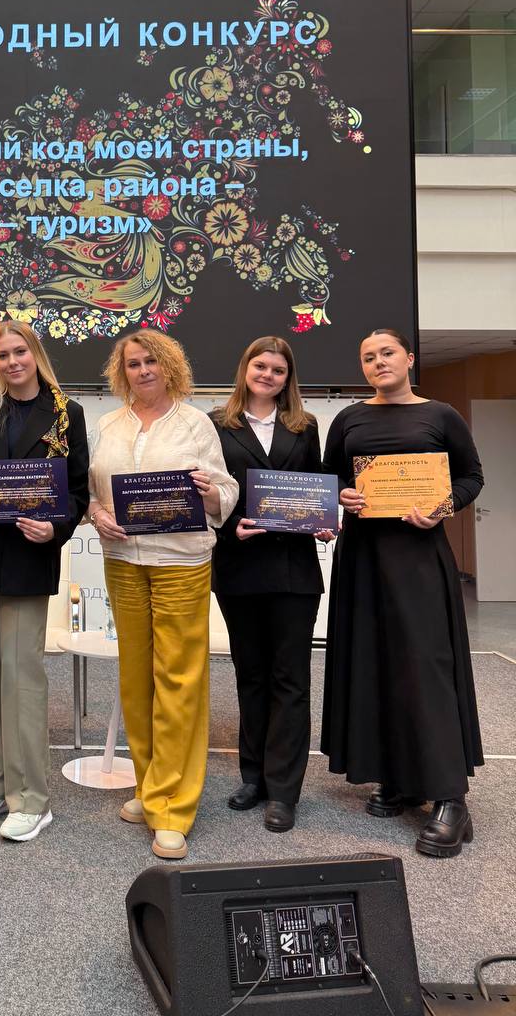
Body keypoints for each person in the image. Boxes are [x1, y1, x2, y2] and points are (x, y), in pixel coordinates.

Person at [322, 328, 484, 858]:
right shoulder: (349, 419)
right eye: (368, 357)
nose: (378, 362)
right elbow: (329, 480)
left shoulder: (441, 416)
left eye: (387, 353)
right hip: (363, 559)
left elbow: (471, 477)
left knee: (426, 666)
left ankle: (450, 797)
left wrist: (441, 507)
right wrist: (342, 495)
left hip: (419, 559)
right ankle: (398, 778)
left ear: (409, 358)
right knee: (376, 663)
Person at [87, 330, 237, 860]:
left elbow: (226, 490)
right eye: (133, 363)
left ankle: (172, 806)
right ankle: (150, 785)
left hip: (181, 562)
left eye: (151, 361)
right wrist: (97, 513)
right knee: (136, 678)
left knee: (178, 679)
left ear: (170, 366)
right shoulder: (108, 424)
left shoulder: (196, 424)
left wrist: (210, 492)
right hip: (123, 561)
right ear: (121, 371)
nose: (143, 370)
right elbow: (93, 493)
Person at [0, 321, 89, 843]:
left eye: (19, 352)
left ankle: (31, 798)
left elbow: (77, 491)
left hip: (30, 558)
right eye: (2, 355)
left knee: (21, 677)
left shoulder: (67, 413)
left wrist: (56, 527)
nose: (12, 362)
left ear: (36, 354)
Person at [210, 336, 334, 834]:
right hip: (239, 566)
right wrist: (229, 526)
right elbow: (209, 492)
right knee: (251, 675)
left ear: (288, 378)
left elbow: (315, 483)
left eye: (278, 370)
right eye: (260, 366)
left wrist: (323, 519)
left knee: (290, 679)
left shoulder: (305, 426)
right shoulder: (216, 424)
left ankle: (284, 790)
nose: (268, 375)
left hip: (293, 570)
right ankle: (254, 777)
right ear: (245, 368)